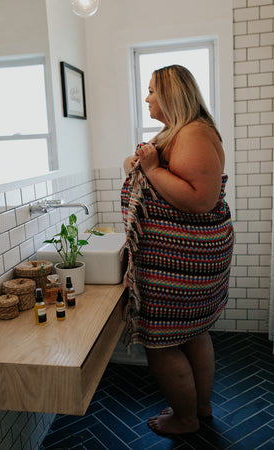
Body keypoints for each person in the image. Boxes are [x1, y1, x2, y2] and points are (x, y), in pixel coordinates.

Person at [121, 65, 234, 436]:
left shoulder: (193, 133)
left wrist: (151, 170)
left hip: (181, 264)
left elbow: (202, 200)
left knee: (161, 341)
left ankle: (185, 419)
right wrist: (139, 165)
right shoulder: (183, 132)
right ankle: (199, 409)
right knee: (193, 333)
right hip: (188, 261)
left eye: (153, 90)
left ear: (172, 94)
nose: (148, 97)